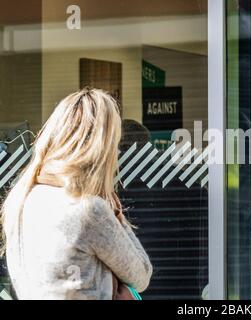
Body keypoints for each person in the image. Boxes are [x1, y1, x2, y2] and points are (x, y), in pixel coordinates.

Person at [0, 88, 152, 300]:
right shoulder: (88, 210)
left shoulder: (21, 200)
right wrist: (117, 214)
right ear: (101, 148)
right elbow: (141, 275)